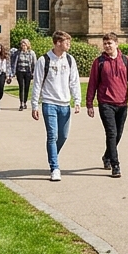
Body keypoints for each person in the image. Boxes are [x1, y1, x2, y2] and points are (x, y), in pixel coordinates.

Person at [86, 32, 128, 178]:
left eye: (109, 43)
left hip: (122, 103)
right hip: (106, 103)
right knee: (111, 133)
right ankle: (115, 165)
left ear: (117, 44)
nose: (107, 46)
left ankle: (107, 156)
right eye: (105, 44)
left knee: (118, 134)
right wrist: (89, 103)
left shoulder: (126, 61)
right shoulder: (99, 62)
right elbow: (92, 83)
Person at [32, 30, 81, 181]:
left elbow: (74, 81)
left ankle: (52, 154)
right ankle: (55, 167)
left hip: (65, 104)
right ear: (58, 43)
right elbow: (37, 83)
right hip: (49, 103)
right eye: (67, 42)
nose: (69, 45)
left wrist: (77, 100)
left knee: (63, 136)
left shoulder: (70, 60)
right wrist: (35, 105)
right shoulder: (44, 60)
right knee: (52, 136)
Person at [12, 38, 37, 111]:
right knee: (21, 87)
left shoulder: (31, 53)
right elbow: (14, 62)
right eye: (22, 45)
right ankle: (21, 103)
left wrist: (34, 73)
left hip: (28, 72)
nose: (23, 46)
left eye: (25, 45)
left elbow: (34, 64)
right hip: (20, 72)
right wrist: (13, 73)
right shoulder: (18, 53)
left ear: (27, 45)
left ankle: (25, 102)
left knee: (26, 88)